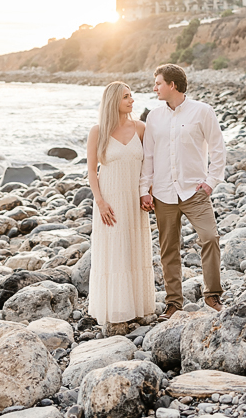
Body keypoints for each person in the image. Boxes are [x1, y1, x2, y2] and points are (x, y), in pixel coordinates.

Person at [140, 64, 226, 321]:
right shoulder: (154, 116)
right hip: (163, 192)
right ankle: (174, 303)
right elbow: (149, 156)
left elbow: (218, 148)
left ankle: (212, 294)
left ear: (172, 85)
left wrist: (211, 182)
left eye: (158, 83)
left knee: (209, 237)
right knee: (169, 249)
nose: (155, 87)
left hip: (194, 190)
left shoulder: (202, 111)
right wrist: (144, 189)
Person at [87, 82, 156, 332]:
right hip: (110, 200)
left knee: (133, 248)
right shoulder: (98, 131)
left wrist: (147, 193)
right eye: (126, 97)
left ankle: (136, 308)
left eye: (131, 96)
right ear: (114, 101)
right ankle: (116, 310)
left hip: (134, 200)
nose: (132, 101)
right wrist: (101, 201)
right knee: (115, 251)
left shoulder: (141, 128)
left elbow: (149, 166)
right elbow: (92, 172)